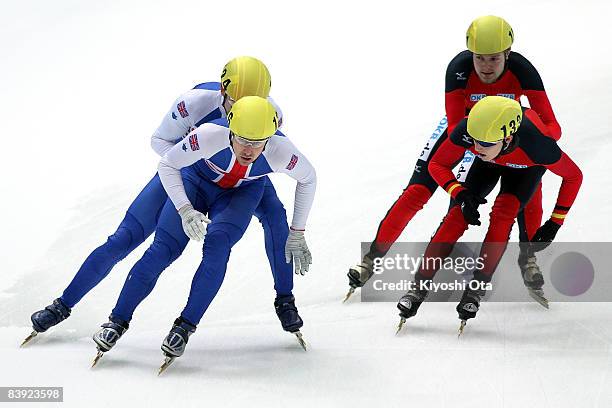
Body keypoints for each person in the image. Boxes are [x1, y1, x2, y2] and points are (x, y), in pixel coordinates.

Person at [23, 57, 300, 346]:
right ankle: (63, 304)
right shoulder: (194, 103)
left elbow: (268, 154)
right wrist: (192, 165)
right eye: (236, 102)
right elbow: (160, 142)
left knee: (278, 221)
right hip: (191, 174)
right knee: (125, 238)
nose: (245, 109)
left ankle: (285, 300)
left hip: (239, 182)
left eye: (254, 102)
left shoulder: (271, 113)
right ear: (222, 90)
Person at [345, 16, 561, 302]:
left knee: (531, 171)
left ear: (508, 54)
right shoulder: (459, 68)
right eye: (479, 58)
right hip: (464, 131)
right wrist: (463, 179)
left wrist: (525, 136)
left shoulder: (523, 71)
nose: (485, 67)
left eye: (493, 59)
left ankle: (528, 256)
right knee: (417, 192)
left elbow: (553, 129)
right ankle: (372, 258)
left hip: (500, 136)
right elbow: (454, 127)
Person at [90, 96, 316, 368]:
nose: (249, 150)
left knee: (218, 244)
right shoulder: (209, 135)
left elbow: (309, 178)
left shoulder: (281, 150)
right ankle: (117, 319)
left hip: (240, 194)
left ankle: (185, 326)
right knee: (162, 250)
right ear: (231, 129)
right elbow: (167, 163)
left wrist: (298, 231)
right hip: (197, 183)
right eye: (243, 140)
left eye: (258, 143)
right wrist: (185, 209)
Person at [395, 96, 582, 334]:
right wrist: (459, 193)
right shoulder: (470, 131)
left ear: (507, 137)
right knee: (456, 216)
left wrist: (555, 222)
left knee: (503, 215)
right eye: (473, 141)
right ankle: (418, 287)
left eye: (483, 142)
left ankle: (476, 290)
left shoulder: (538, 144)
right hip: (488, 164)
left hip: (525, 169)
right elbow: (437, 165)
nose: (475, 147)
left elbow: (574, 176)